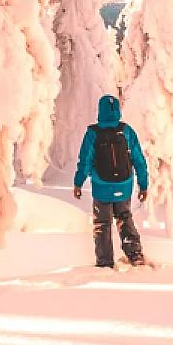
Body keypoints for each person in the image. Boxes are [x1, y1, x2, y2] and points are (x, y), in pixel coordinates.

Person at [73, 94, 149, 268]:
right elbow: (139, 160)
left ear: (100, 111)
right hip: (124, 185)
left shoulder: (93, 133)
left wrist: (78, 183)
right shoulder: (126, 131)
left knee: (102, 223)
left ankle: (105, 262)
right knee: (124, 217)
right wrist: (143, 185)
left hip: (101, 186)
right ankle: (135, 254)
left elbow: (85, 161)